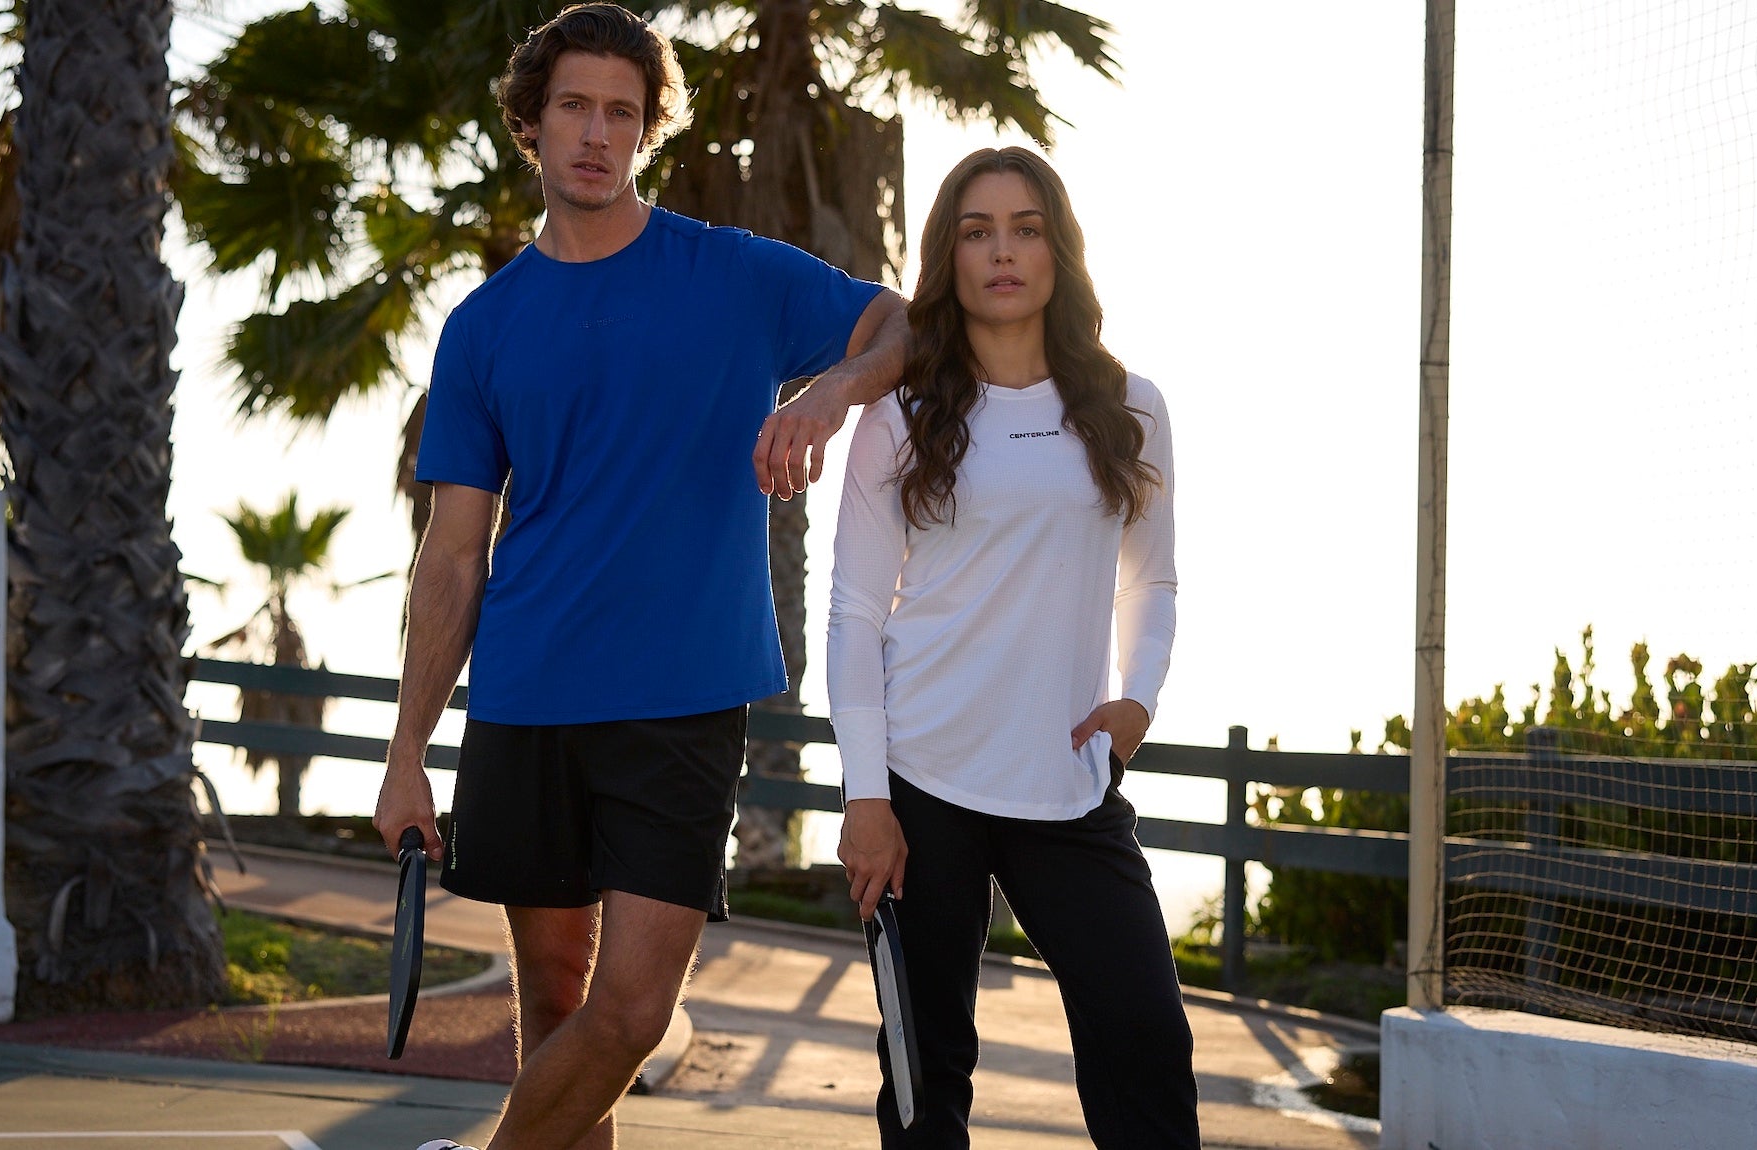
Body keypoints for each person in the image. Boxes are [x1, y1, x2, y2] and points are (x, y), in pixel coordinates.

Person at [370, 6, 910, 1149]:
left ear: (646, 130)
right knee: (553, 1007)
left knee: (626, 1014)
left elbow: (903, 324)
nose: (597, 132)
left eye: (622, 111)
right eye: (574, 105)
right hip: (524, 696)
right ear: (530, 123)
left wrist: (824, 393)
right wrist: (407, 754)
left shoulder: (733, 277)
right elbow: (452, 555)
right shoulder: (482, 327)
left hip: (679, 698)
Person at [826, 146, 1201, 1149]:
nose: (1002, 252)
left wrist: (1140, 696)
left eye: (1025, 228)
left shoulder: (1131, 407)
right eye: (976, 230)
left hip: (1068, 788)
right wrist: (866, 796)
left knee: (1145, 1042)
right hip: (919, 785)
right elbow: (855, 612)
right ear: (947, 255)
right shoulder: (898, 418)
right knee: (922, 1073)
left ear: (1060, 251)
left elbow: (1150, 577)